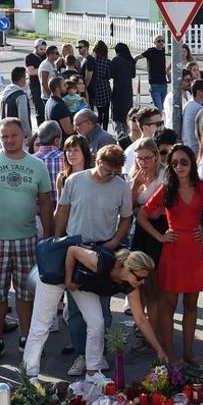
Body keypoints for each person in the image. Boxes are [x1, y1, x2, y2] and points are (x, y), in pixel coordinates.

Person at [0, 118, 54, 363]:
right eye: (4, 136)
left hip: (27, 240)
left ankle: (26, 338)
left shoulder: (37, 165)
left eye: (13, 135)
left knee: (25, 293)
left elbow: (46, 203)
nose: (9, 140)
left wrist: (47, 238)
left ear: (24, 136)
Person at [24, 246, 166, 383]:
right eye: (140, 278)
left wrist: (159, 348)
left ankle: (93, 372)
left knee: (97, 323)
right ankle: (30, 375)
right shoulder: (103, 261)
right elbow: (72, 250)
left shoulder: (130, 284)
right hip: (57, 273)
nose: (142, 282)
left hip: (80, 282)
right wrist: (68, 280)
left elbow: (140, 319)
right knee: (42, 324)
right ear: (128, 269)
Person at [54, 143, 134, 376]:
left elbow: (127, 218)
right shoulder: (75, 180)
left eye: (115, 172)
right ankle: (82, 354)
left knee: (103, 306)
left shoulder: (120, 186)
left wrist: (114, 241)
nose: (111, 176)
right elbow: (63, 211)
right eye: (108, 171)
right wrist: (58, 241)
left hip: (103, 249)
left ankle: (98, 355)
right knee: (76, 309)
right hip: (75, 247)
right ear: (97, 162)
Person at [138, 144, 203, 364]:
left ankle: (188, 352)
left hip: (193, 251)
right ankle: (169, 353)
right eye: (174, 163)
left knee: (192, 305)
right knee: (168, 305)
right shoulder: (166, 189)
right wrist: (160, 236)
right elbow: (142, 215)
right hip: (172, 250)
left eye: (184, 161)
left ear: (192, 162)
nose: (179, 166)